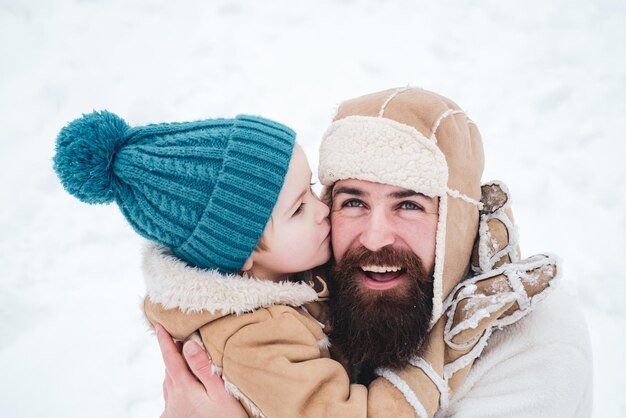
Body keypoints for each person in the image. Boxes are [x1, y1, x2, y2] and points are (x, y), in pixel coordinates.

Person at [158, 87, 592, 417]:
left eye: (409, 205)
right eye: (352, 202)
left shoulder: (537, 344)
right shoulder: (292, 305)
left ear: (456, 220)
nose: (375, 237)